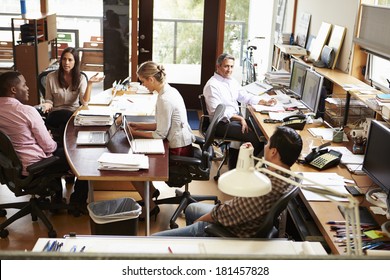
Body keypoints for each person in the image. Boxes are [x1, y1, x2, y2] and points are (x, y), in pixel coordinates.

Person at [153, 126, 302, 237]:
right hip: (247, 221)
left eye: (268, 144)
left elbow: (226, 213)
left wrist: (200, 222)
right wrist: (247, 157)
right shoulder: (287, 177)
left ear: (274, 152)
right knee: (191, 208)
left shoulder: (264, 187)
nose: (265, 146)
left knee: (155, 240)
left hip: (232, 229)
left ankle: (198, 241)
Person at [0, 71, 88, 216]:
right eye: (24, 85)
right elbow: (49, 147)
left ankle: (56, 200)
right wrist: (48, 136)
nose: (27, 88)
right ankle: (77, 202)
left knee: (59, 149)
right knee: (80, 156)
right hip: (35, 165)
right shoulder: (26, 111)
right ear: (13, 90)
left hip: (9, 167)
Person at [127, 61, 195, 220]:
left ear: (151, 79)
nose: (142, 85)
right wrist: (140, 126)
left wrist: (135, 133)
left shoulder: (164, 99)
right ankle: (149, 191)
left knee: (133, 169)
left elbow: (160, 134)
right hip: (182, 142)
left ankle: (150, 206)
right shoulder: (169, 91)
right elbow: (163, 124)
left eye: (143, 81)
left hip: (178, 149)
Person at [203, 53, 277, 169]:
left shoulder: (231, 81)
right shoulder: (212, 85)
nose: (229, 70)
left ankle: (238, 163)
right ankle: (246, 170)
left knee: (259, 131)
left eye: (232, 67)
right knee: (256, 138)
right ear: (218, 67)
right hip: (221, 124)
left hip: (234, 119)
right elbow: (216, 112)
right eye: (226, 66)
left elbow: (244, 96)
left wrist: (263, 101)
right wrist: (240, 118)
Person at [42, 47, 104, 140]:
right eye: (64, 59)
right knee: (69, 120)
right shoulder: (50, 77)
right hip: (56, 114)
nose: (66, 63)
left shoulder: (81, 78)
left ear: (75, 62)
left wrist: (90, 84)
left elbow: (84, 102)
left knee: (64, 126)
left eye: (70, 60)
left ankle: (62, 149)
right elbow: (49, 100)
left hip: (72, 114)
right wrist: (45, 106)